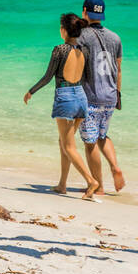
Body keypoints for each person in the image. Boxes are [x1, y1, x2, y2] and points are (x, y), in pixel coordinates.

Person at [23, 13, 100, 199]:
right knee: (64, 144)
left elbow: (48, 77)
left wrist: (31, 91)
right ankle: (62, 185)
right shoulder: (85, 50)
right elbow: (88, 78)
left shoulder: (59, 50)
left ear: (63, 30)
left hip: (65, 99)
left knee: (68, 146)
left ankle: (91, 181)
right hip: (81, 98)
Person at [78, 0, 125, 196]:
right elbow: (119, 69)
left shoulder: (82, 36)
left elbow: (77, 66)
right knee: (102, 136)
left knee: (90, 143)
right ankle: (115, 166)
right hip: (110, 96)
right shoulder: (115, 37)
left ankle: (99, 187)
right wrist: (118, 95)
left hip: (91, 96)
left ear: (85, 12)